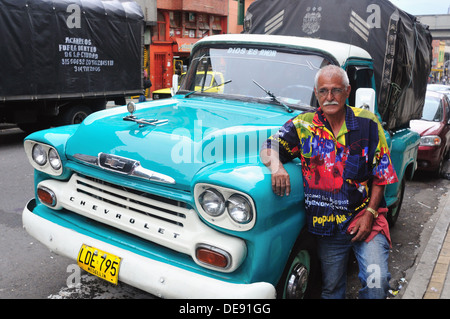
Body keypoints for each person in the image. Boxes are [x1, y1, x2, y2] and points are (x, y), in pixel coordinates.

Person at [260, 65, 398, 299]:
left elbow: (381, 174)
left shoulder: (368, 123)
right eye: (323, 91)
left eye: (336, 90)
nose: (330, 97)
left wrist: (370, 213)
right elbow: (269, 147)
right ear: (316, 92)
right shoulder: (303, 125)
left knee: (378, 284)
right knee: (332, 290)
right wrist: (277, 166)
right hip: (328, 228)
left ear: (347, 92)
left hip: (366, 220)